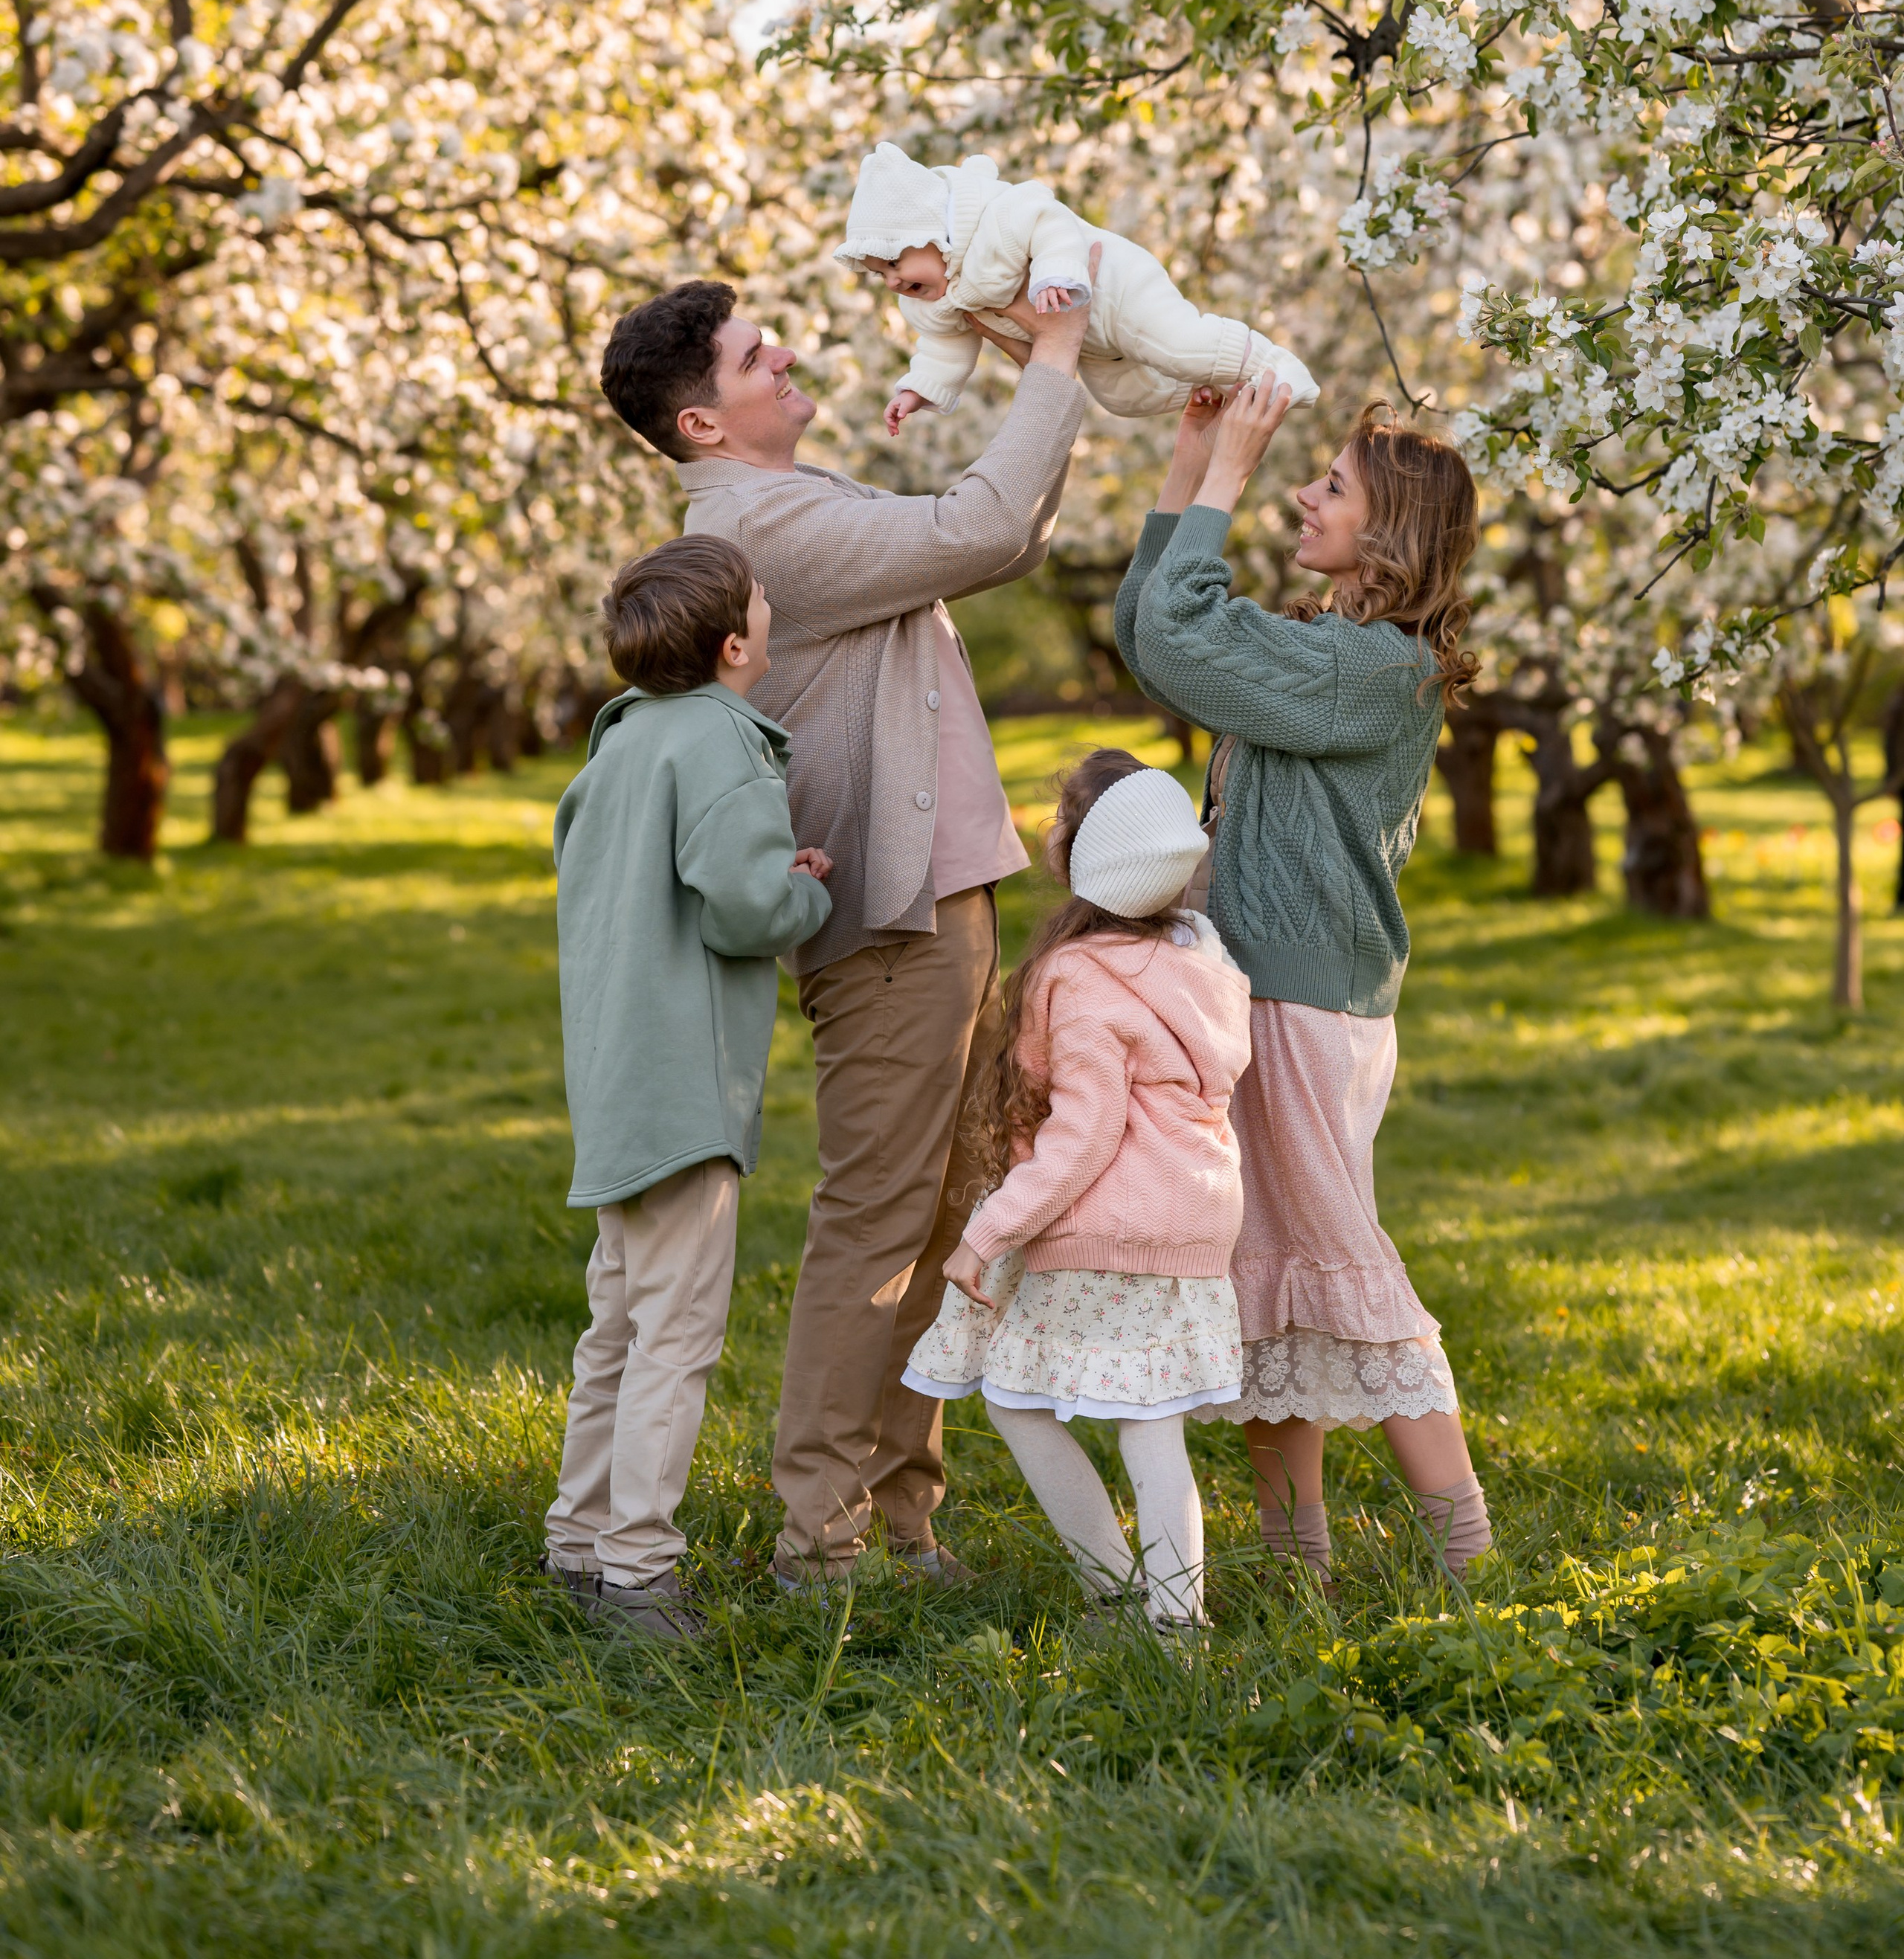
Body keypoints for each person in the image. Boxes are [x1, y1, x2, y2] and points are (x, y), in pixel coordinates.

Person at [595, 266, 1095, 1588]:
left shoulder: (796, 501)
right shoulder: (762, 531)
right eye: (759, 355)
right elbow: (982, 526)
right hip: (886, 911)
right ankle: (823, 1535)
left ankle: (900, 1511)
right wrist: (1053, 352)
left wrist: (1059, 372)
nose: (787, 357)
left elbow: (1003, 534)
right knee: (881, 1219)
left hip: (934, 892)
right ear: (704, 421)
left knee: (938, 1215)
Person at [1116, 385, 1493, 1589]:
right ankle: (1295, 1572)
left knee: (1343, 1268)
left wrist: (1228, 464)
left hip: (1303, 1007)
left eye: (1330, 484)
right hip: (1274, 995)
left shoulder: (1367, 669)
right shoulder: (1321, 647)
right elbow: (1155, 627)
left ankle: (1469, 1556)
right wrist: (1188, 460)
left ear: (1393, 534)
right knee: (1276, 1277)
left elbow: (1178, 634)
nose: (1301, 495)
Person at [544, 535, 834, 1644]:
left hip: (616, 1077)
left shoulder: (617, 748)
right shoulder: (721, 738)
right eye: (765, 603)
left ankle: (578, 1542)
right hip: (683, 1088)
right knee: (675, 1335)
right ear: (732, 644)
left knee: (616, 1323)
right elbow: (743, 910)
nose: (772, 613)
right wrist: (801, 894)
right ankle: (638, 1574)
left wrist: (763, 875)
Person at [903, 750, 1251, 1635]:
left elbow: (1087, 1132)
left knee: (1015, 1397)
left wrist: (988, 1230)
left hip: (1107, 1229)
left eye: (1061, 816)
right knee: (1154, 1426)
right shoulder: (1203, 960)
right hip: (1195, 1224)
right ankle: (1176, 1623)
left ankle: (1120, 1593)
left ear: (1083, 853)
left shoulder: (1080, 976)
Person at [836, 141, 1317, 433]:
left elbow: (1050, 220)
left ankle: (1275, 365)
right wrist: (920, 390)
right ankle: (1225, 388)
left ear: (934, 232)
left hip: (1114, 289)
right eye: (881, 274)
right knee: (1124, 399)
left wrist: (1055, 272)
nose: (894, 281)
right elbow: (944, 349)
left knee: (1177, 346)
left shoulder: (996, 221)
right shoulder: (937, 305)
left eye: (897, 260)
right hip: (1088, 344)